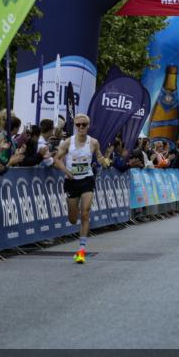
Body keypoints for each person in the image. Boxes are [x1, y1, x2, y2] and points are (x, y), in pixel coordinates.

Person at [54, 113, 110, 264]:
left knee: (85, 212)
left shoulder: (93, 142)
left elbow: (99, 157)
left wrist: (104, 161)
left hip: (87, 180)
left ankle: (81, 249)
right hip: (71, 182)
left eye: (83, 124)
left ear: (88, 126)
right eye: (78, 125)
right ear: (75, 126)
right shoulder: (67, 143)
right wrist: (66, 171)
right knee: (73, 219)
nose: (81, 127)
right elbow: (56, 160)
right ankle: (74, 212)